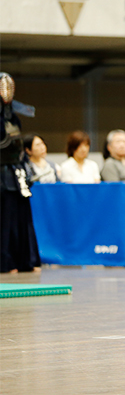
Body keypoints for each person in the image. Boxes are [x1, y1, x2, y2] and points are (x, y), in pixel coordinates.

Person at [0, 73, 40, 273]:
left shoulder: (15, 116)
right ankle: (4, 262)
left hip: (16, 173)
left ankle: (24, 260)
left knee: (21, 219)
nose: (6, 92)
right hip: (1, 176)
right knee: (4, 221)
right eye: (2, 87)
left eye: (9, 87)